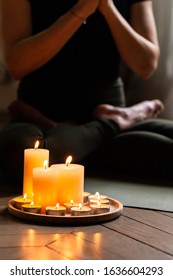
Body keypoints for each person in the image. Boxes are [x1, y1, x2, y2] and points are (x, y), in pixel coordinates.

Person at [0, 0, 172, 188]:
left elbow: (146, 65)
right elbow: (17, 65)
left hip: (108, 110)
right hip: (38, 118)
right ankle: (112, 124)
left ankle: (90, 139)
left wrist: (107, 7)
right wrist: (81, 10)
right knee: (21, 158)